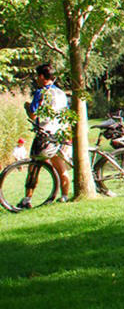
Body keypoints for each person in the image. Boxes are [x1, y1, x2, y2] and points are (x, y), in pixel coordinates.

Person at [20, 63, 71, 208]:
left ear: (42, 76)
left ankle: (27, 199)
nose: (36, 78)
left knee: (33, 168)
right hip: (59, 134)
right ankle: (65, 196)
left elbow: (33, 113)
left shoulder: (41, 92)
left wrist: (27, 106)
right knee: (61, 167)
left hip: (44, 135)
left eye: (37, 76)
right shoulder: (61, 93)